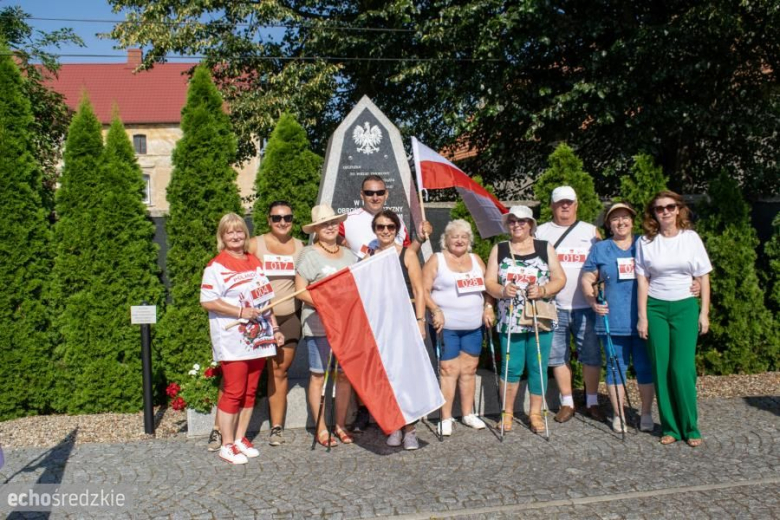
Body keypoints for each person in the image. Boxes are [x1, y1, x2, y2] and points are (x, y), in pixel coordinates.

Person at [339, 174, 432, 432]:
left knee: (400, 367)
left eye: (379, 192)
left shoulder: (398, 220)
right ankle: (367, 410)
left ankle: (407, 421)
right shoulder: (348, 221)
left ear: (386, 194)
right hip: (369, 308)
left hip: (399, 312)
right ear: (362, 194)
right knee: (371, 365)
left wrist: (421, 238)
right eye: (369, 192)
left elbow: (407, 257)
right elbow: (333, 246)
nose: (375, 196)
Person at [200, 213, 285, 464]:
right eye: (230, 232)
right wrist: (240, 312)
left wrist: (275, 328)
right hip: (232, 339)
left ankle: (239, 438)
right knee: (234, 391)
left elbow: (265, 300)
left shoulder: (254, 261)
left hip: (259, 338)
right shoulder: (216, 266)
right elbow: (207, 301)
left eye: (239, 231)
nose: (235, 236)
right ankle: (226, 444)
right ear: (222, 236)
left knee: (250, 391)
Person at [636, 191, 711, 447]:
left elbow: (703, 276)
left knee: (682, 369)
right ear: (653, 213)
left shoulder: (690, 238)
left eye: (670, 207)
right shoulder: (645, 242)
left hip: (685, 307)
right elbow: (643, 281)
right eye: (659, 208)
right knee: (661, 367)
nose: (665, 212)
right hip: (656, 308)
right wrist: (643, 317)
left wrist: (704, 312)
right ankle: (670, 427)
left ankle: (691, 427)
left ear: (678, 209)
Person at [485, 206, 566, 433]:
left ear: (530, 224)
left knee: (537, 366)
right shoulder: (500, 249)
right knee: (511, 367)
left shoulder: (544, 247)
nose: (517, 225)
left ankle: (535, 413)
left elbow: (560, 279)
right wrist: (502, 291)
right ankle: (507, 412)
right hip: (511, 318)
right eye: (512, 221)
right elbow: (489, 282)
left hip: (539, 316)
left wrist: (543, 290)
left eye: (522, 221)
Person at [581, 203, 655, 433]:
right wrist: (592, 301)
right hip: (612, 321)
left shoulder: (645, 243)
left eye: (625, 217)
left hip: (644, 320)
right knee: (615, 369)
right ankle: (619, 414)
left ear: (632, 221)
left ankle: (646, 413)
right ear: (608, 224)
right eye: (615, 219)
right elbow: (587, 277)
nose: (621, 222)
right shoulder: (601, 248)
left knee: (645, 368)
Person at [535, 186, 603, 423]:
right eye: (560, 202)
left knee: (591, 355)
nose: (565, 206)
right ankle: (567, 402)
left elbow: (603, 263)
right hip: (554, 306)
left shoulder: (591, 232)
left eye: (569, 202)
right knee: (557, 356)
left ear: (576, 204)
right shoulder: (541, 232)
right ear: (552, 205)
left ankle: (592, 401)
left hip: (586, 306)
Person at [423, 219, 495, 436]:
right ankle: (446, 417)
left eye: (464, 237)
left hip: (473, 326)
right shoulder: (436, 259)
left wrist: (489, 307)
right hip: (447, 327)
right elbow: (423, 291)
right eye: (455, 236)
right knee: (449, 370)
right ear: (446, 239)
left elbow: (489, 287)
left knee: (469, 369)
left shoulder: (476, 260)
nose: (459, 240)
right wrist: (435, 309)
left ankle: (468, 413)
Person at [296, 204, 358, 447]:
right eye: (324, 224)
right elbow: (300, 291)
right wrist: (326, 304)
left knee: (344, 376)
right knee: (318, 375)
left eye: (332, 222)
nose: (330, 227)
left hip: (345, 326)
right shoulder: (308, 254)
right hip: (318, 323)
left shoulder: (349, 255)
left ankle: (340, 425)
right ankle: (321, 427)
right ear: (316, 229)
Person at [248, 201, 305, 447]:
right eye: (277, 218)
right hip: (257, 319)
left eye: (287, 218)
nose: (282, 222)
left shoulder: (301, 247)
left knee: (279, 371)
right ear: (268, 220)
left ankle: (277, 427)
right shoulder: (254, 245)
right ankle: (228, 428)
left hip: (288, 318)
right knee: (248, 372)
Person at [370, 210, 427, 450]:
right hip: (381, 324)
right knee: (387, 377)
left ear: (397, 229)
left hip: (405, 322)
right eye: (380, 227)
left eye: (390, 227)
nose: (385, 231)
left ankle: (410, 430)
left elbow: (419, 290)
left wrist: (420, 321)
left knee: (407, 378)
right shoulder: (369, 256)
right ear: (375, 230)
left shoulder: (407, 254)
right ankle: (394, 424)